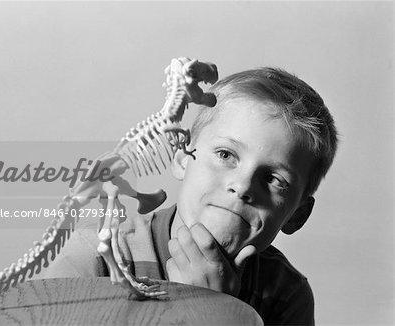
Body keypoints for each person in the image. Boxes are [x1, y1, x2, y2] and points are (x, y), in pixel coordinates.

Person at [40, 67, 338, 325]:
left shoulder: (285, 294)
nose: (243, 186)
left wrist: (218, 314)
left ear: (297, 215)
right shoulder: (96, 257)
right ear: (183, 157)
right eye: (226, 154)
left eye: (274, 179)